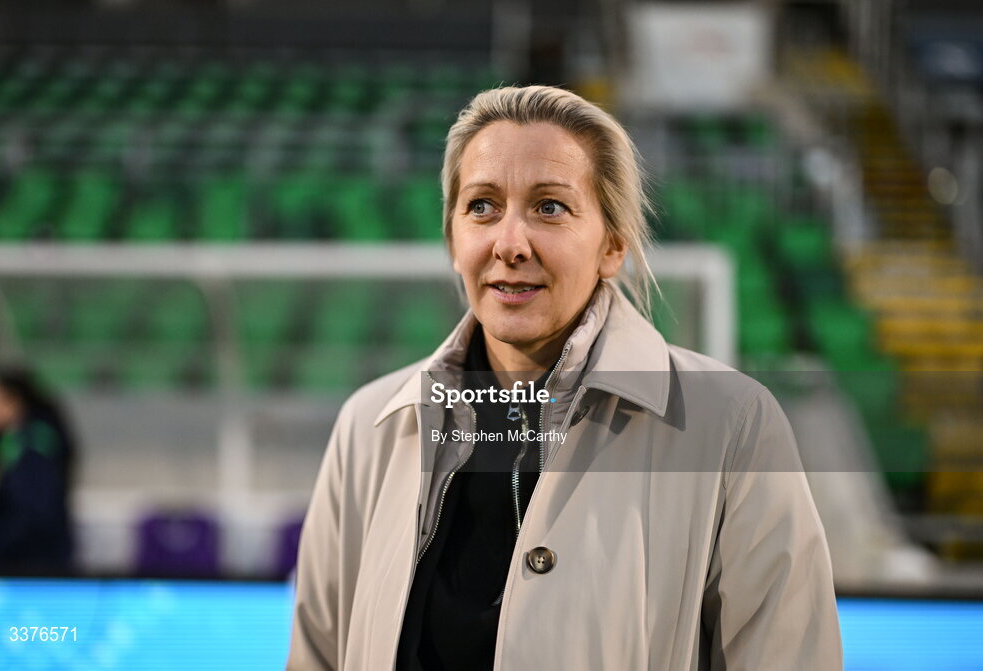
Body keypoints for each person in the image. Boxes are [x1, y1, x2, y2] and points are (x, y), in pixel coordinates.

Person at [286, 85, 842, 670]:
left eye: (550, 207)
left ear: (612, 246)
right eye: (482, 206)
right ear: (453, 239)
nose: (510, 244)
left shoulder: (732, 426)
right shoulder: (369, 428)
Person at [0, 364, 76, 575]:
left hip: (24, 571)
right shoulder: (0, 443)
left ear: (11, 401)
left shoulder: (33, 447)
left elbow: (33, 517)